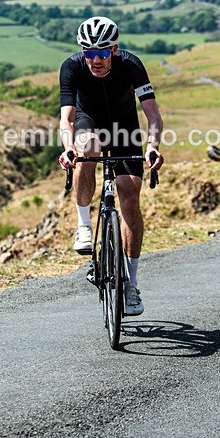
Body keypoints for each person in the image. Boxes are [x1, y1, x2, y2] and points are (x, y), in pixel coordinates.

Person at [58, 16, 164, 316]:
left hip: (124, 128)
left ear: (114, 50)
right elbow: (66, 118)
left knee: (128, 195)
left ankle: (131, 286)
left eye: (102, 52)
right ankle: (83, 225)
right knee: (88, 148)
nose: (95, 60)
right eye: (89, 52)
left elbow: (153, 115)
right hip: (88, 122)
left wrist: (153, 146)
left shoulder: (131, 65)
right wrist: (68, 147)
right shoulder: (72, 66)